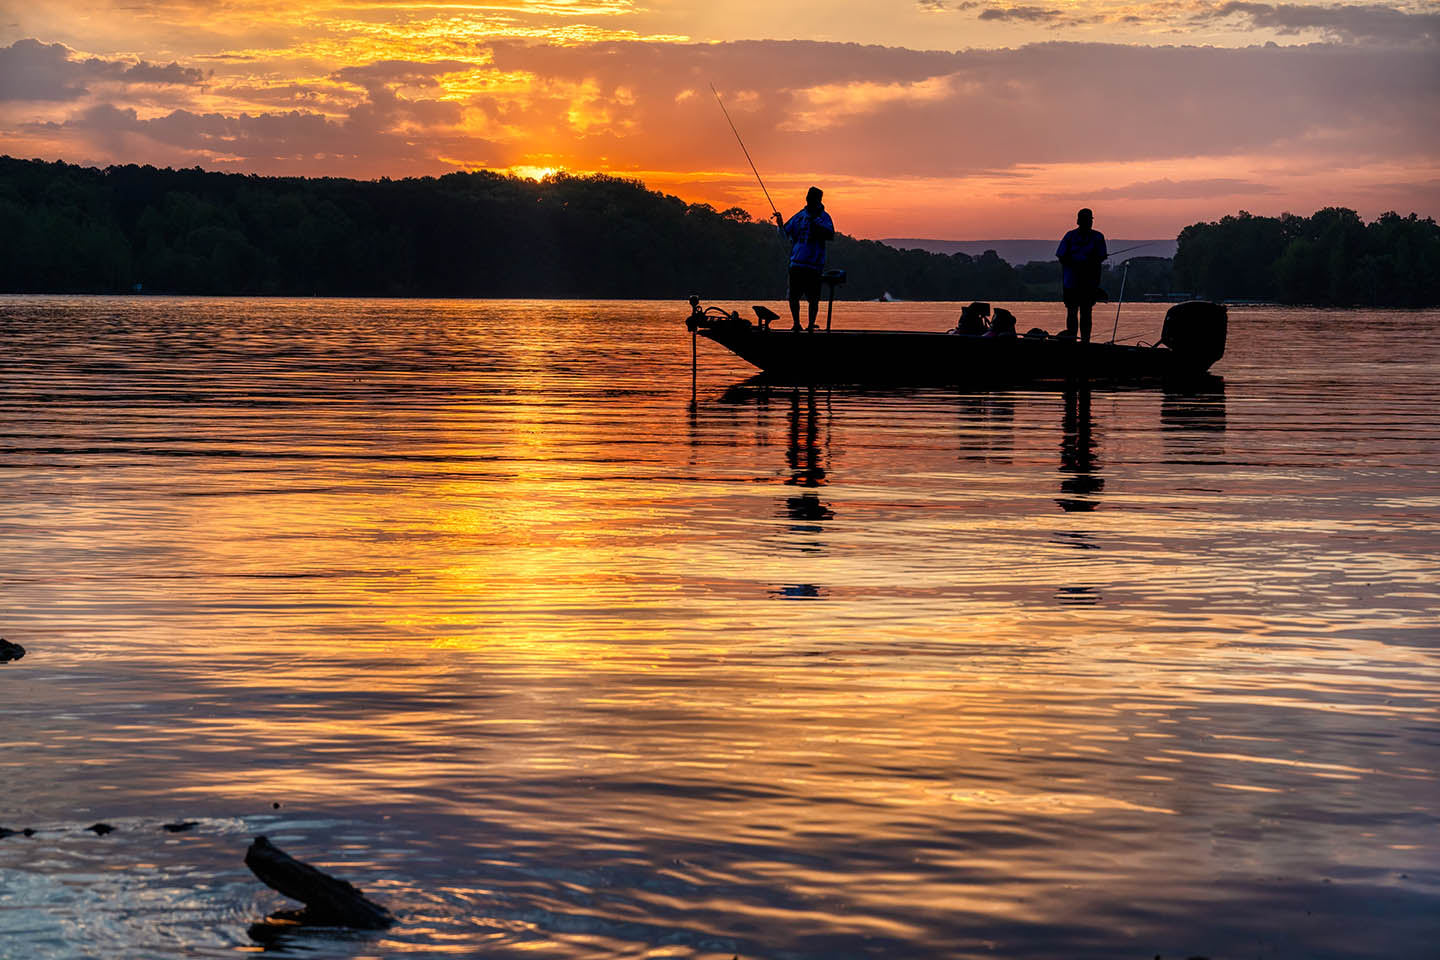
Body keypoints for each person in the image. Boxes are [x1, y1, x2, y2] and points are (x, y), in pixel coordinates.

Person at [774, 187, 835, 331]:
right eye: (808, 198)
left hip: (814, 265)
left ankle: (810, 325)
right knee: (793, 297)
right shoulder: (799, 216)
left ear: (818, 201)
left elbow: (830, 234)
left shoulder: (824, 217)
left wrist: (816, 224)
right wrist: (780, 225)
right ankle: (796, 323)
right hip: (797, 264)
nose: (809, 201)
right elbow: (785, 235)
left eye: (812, 199)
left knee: (813, 299)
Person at [1055, 208, 1107, 342]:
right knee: (1072, 312)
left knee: (1086, 313)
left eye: (1089, 220)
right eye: (1086, 220)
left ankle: (1085, 341)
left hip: (1089, 284)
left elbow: (1100, 258)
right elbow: (1061, 256)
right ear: (1079, 221)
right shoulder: (1069, 236)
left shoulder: (1098, 237)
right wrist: (1076, 264)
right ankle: (1073, 340)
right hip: (1071, 283)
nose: (1088, 223)